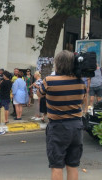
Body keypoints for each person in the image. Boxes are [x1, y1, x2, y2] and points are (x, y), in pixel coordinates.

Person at [37, 50, 86, 180]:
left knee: (57, 166)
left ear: (57, 64)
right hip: (76, 126)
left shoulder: (49, 81)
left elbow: (39, 95)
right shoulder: (80, 82)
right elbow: (83, 100)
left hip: (58, 127)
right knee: (73, 165)